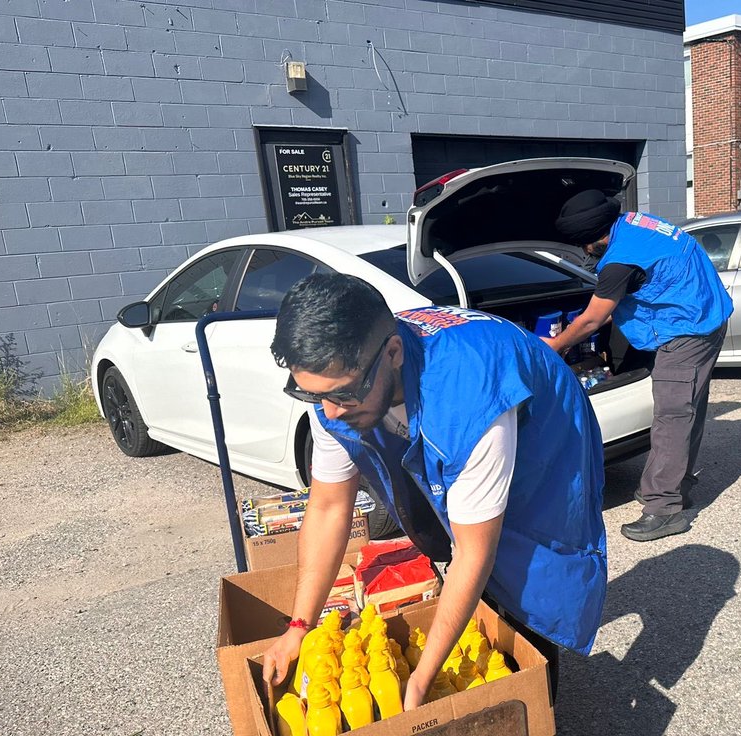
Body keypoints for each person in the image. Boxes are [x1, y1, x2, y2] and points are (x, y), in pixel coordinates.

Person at [260, 274, 607, 707]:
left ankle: (536, 713)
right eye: (312, 395)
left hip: (544, 432)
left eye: (344, 395)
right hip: (461, 407)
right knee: (465, 545)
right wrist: (299, 626)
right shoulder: (334, 386)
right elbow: (330, 506)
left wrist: (422, 682)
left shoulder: (471, 398)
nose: (329, 412)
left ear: (393, 353)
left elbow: (473, 551)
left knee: (530, 575)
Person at [546, 190, 733, 543]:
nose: (585, 253)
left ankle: (663, 509)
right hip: (705, 314)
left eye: (583, 246)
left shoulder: (619, 261)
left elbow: (591, 320)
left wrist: (555, 345)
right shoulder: (634, 223)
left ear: (592, 240)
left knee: (671, 417)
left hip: (687, 331)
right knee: (687, 409)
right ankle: (678, 484)